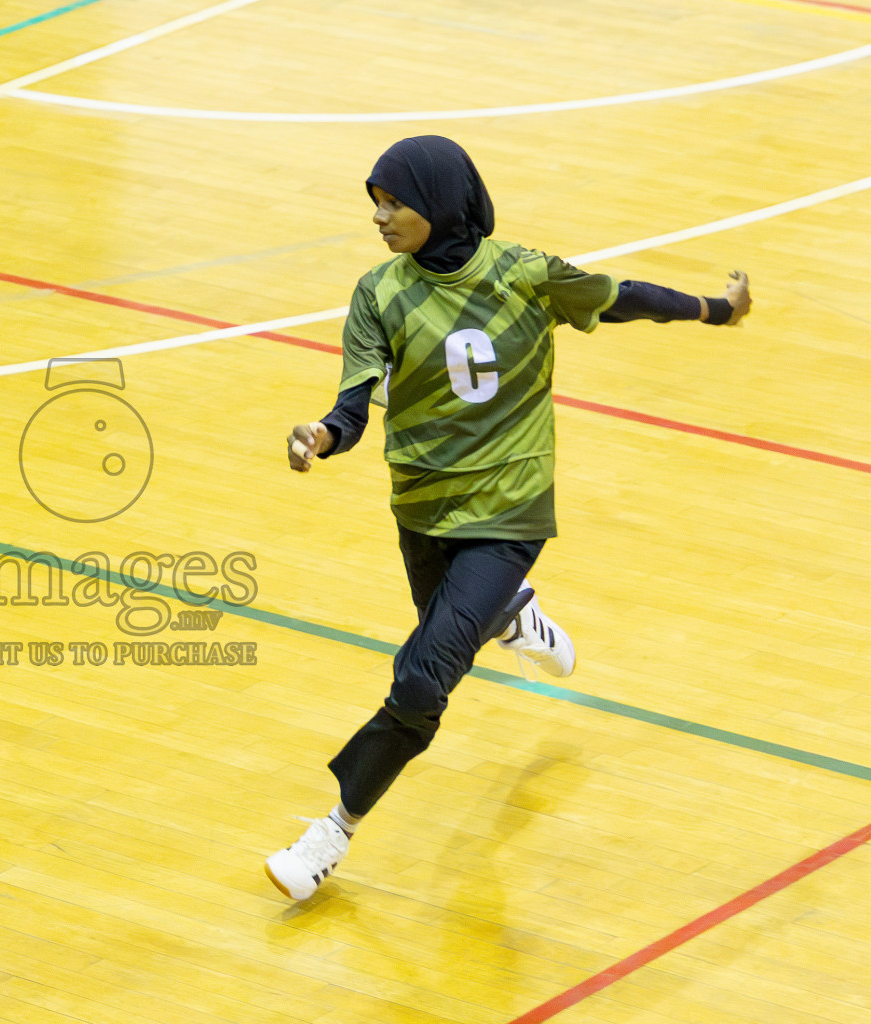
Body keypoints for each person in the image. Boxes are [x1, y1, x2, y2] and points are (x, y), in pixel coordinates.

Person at [265, 135, 751, 902]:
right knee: (445, 635)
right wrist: (320, 438)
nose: (380, 219)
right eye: (376, 205)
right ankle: (513, 617)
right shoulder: (378, 294)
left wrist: (715, 310)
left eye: (394, 203)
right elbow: (353, 406)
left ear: (440, 204)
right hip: (423, 505)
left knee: (423, 679)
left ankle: (331, 833)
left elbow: (622, 297)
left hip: (510, 508)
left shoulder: (524, 275)